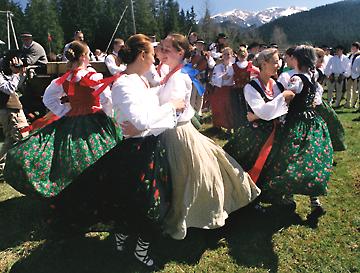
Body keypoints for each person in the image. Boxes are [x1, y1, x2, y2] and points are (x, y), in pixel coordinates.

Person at [157, 33, 260, 240]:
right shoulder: (171, 73)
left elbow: (175, 109)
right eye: (162, 47)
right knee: (187, 176)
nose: (162, 51)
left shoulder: (178, 77)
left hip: (176, 132)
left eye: (167, 49)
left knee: (185, 177)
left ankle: (191, 215)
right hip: (171, 130)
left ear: (180, 52)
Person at [4, 41, 120, 223]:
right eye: (88, 54)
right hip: (94, 120)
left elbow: (49, 99)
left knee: (67, 162)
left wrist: (65, 110)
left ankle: (69, 198)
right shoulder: (91, 75)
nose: (89, 57)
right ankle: (97, 201)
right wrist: (108, 116)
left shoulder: (64, 79)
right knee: (98, 160)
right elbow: (106, 98)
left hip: (71, 122)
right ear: (83, 56)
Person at [100, 34, 185, 268]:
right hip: (135, 153)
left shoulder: (138, 80)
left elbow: (138, 113)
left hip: (147, 147)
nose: (155, 57)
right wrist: (171, 106)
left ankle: (127, 240)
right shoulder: (124, 83)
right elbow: (138, 118)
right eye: (152, 52)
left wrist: (132, 120)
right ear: (142, 55)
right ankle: (134, 247)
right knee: (146, 203)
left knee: (143, 201)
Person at [260, 45, 333, 220]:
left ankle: (287, 199)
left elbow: (290, 95)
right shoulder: (314, 74)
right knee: (310, 159)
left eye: (293, 57)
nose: (289, 59)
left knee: (289, 157)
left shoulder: (296, 79)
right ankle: (314, 202)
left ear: (298, 60)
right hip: (313, 123)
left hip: (297, 124)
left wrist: (270, 105)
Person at [0, 54, 29, 179]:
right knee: (22, 136)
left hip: (11, 109)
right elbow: (9, 88)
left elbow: (16, 86)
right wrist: (16, 74)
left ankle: (3, 169)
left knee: (10, 140)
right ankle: (23, 169)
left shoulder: (4, 74)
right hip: (10, 111)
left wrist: (21, 74)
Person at [210, 47, 235, 130]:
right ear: (222, 55)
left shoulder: (233, 67)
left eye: (228, 54)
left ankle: (229, 127)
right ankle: (218, 126)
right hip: (219, 90)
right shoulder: (217, 67)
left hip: (229, 90)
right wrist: (221, 78)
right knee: (218, 108)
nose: (226, 56)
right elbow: (213, 80)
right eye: (224, 54)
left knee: (229, 108)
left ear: (231, 55)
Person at [345, 42, 360, 108]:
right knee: (348, 89)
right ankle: (348, 103)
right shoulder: (350, 55)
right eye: (352, 47)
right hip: (349, 75)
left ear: (357, 48)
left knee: (355, 90)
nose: (352, 49)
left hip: (356, 75)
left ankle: (354, 104)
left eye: (353, 47)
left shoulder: (359, 55)